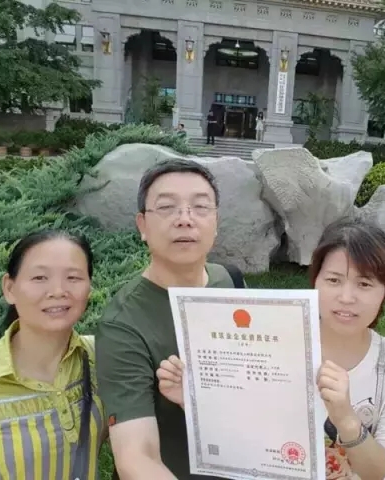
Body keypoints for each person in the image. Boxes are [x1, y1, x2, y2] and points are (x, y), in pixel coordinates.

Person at [158, 217, 385, 480]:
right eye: (334, 280)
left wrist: (347, 420)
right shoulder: (272, 344)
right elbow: (244, 440)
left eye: (364, 284)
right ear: (315, 281)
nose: (346, 297)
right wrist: (195, 401)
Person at [95, 159, 245, 480]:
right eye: (166, 208)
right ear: (142, 225)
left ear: (216, 222)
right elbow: (136, 457)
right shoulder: (123, 324)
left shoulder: (228, 281)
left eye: (200, 207)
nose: (185, 219)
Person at [0, 230, 106, 479]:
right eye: (40, 277)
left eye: (73, 277)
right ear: (9, 288)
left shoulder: (101, 356)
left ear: (89, 287)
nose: (58, 290)